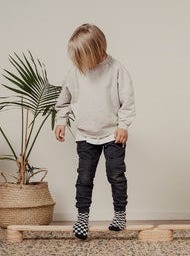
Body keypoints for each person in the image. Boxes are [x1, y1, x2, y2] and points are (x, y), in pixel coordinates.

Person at [54, 23, 136, 240]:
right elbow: (63, 100)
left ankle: (120, 213)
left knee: (116, 175)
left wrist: (123, 125)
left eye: (81, 57)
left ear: (95, 51)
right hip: (85, 135)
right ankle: (82, 217)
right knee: (84, 178)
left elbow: (127, 101)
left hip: (112, 135)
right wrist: (60, 121)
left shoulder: (117, 69)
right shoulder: (75, 71)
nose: (78, 62)